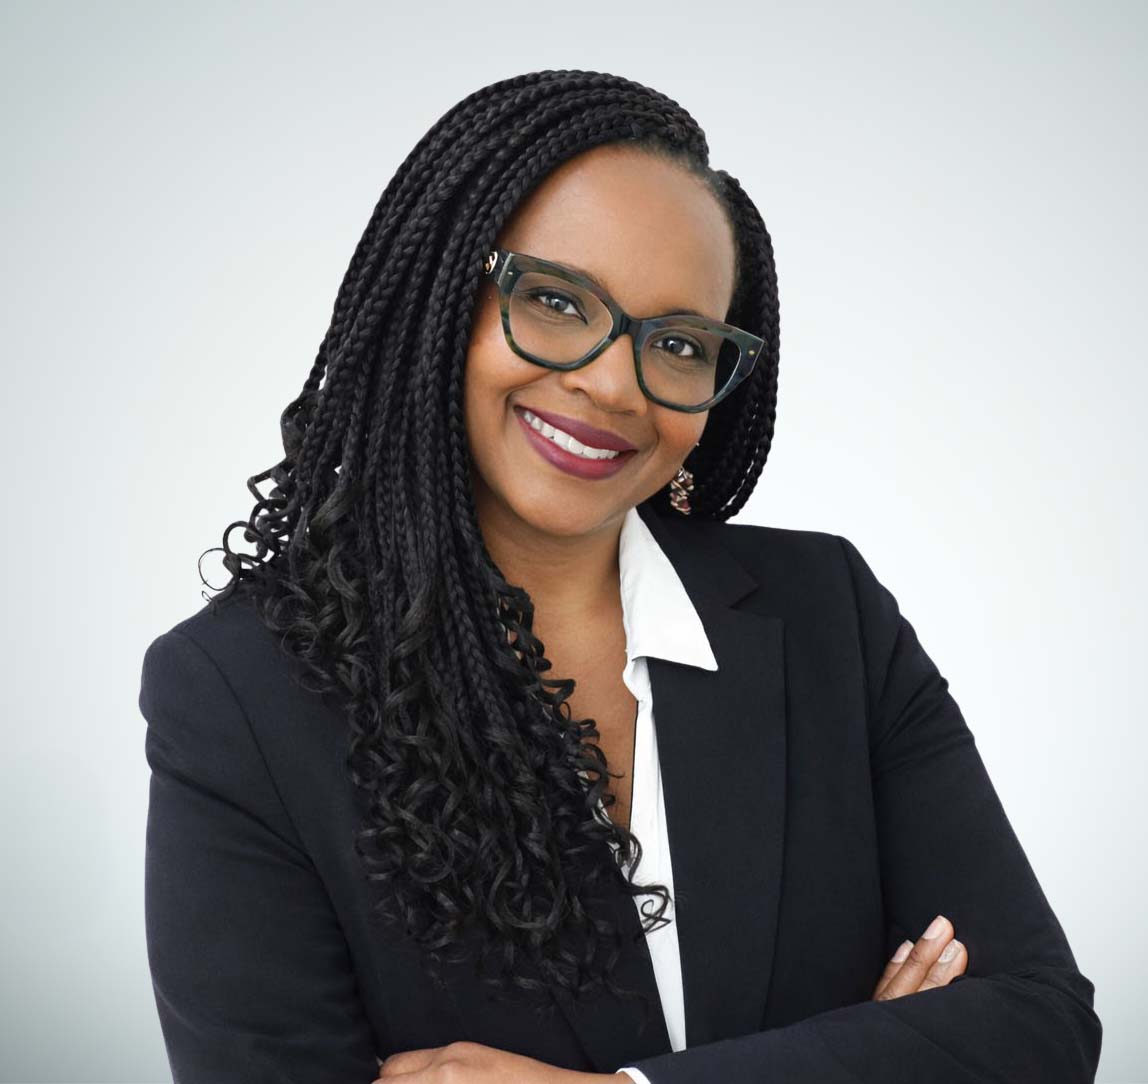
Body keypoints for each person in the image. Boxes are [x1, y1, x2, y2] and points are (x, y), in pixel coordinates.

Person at [139, 69, 1101, 1084]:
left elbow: (1037, 1027)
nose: (610, 383)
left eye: (678, 343)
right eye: (555, 300)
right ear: (439, 300)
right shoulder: (239, 695)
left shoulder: (828, 617)